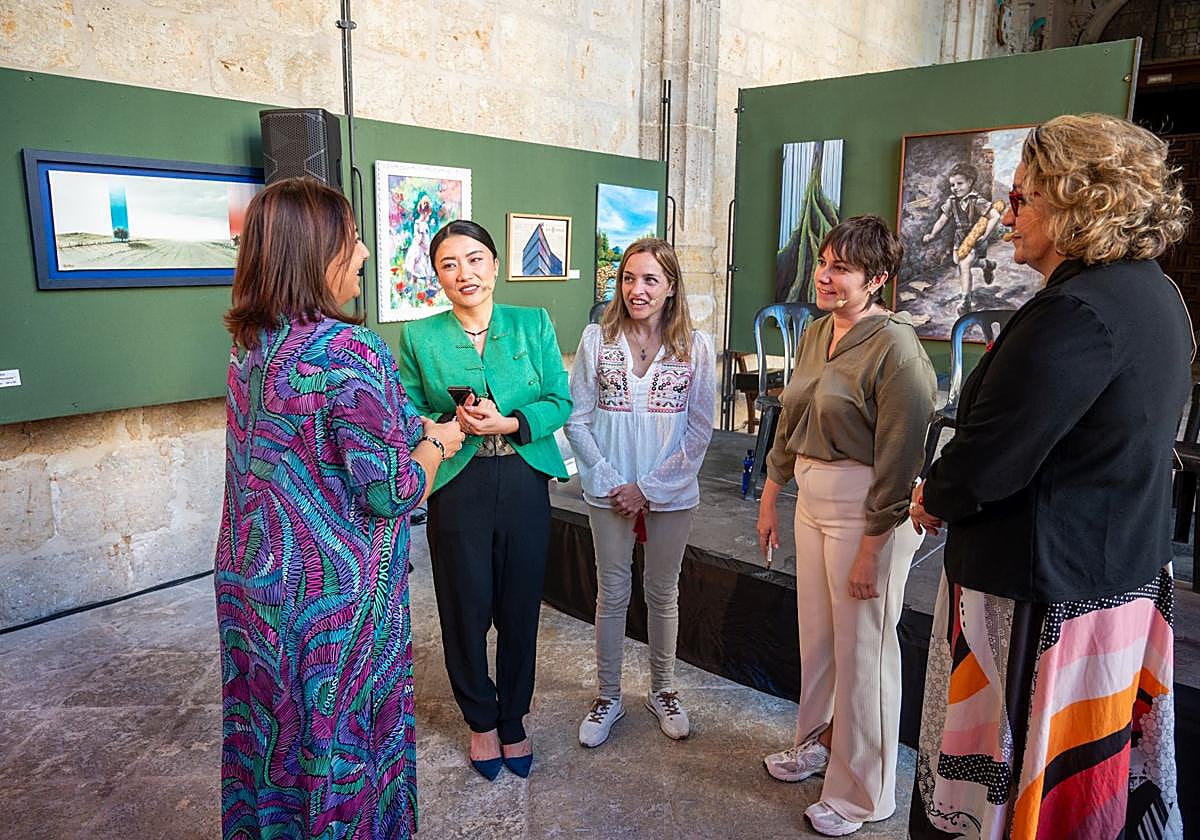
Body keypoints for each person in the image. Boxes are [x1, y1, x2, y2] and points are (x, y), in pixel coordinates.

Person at [908, 114, 1192, 839]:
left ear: (1076, 201)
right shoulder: (1156, 293)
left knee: (1004, 803)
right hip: (1111, 582)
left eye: (1021, 198)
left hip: (1044, 598)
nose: (1007, 215)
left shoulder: (1075, 311)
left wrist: (934, 495)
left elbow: (994, 456)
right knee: (1083, 791)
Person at [215, 177, 464, 839]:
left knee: (271, 743)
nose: (363, 253)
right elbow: (393, 491)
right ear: (314, 251)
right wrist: (439, 444)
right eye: (352, 239)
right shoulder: (351, 349)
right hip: (334, 603)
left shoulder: (250, 346)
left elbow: (328, 432)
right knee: (340, 750)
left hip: (252, 589)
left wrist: (412, 424)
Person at [756, 215, 936, 836]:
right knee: (819, 640)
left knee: (865, 653)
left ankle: (864, 793)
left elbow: (902, 459)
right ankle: (817, 743)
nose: (825, 277)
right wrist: (771, 495)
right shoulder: (816, 332)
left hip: (867, 512)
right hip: (810, 502)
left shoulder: (897, 348)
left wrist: (872, 550)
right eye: (823, 263)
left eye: (842, 269)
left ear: (877, 278)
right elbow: (791, 417)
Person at [395, 219, 572, 781]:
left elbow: (560, 400)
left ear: (494, 264)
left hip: (524, 479)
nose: (464, 273)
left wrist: (511, 421)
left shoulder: (532, 323)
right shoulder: (419, 337)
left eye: (474, 259)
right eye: (449, 265)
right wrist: (451, 423)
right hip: (457, 483)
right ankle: (480, 721)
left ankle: (513, 718)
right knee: (464, 609)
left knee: (520, 609)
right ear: (437, 277)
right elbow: (406, 411)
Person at [564, 238, 716, 748]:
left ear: (671, 287)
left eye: (650, 279)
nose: (637, 290)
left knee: (662, 592)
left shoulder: (695, 347)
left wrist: (648, 489)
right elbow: (578, 419)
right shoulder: (597, 340)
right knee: (611, 593)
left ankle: (663, 690)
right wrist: (614, 483)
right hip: (608, 492)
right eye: (629, 278)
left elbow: (699, 430)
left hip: (671, 493)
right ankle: (608, 696)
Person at [922, 162, 1002, 315]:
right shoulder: (952, 201)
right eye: (952, 185)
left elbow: (995, 216)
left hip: (975, 238)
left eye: (960, 183)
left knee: (964, 265)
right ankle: (987, 265)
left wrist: (985, 235)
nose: (955, 187)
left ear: (970, 182)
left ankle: (965, 301)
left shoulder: (976, 200)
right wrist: (932, 234)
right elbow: (942, 220)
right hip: (959, 239)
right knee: (958, 261)